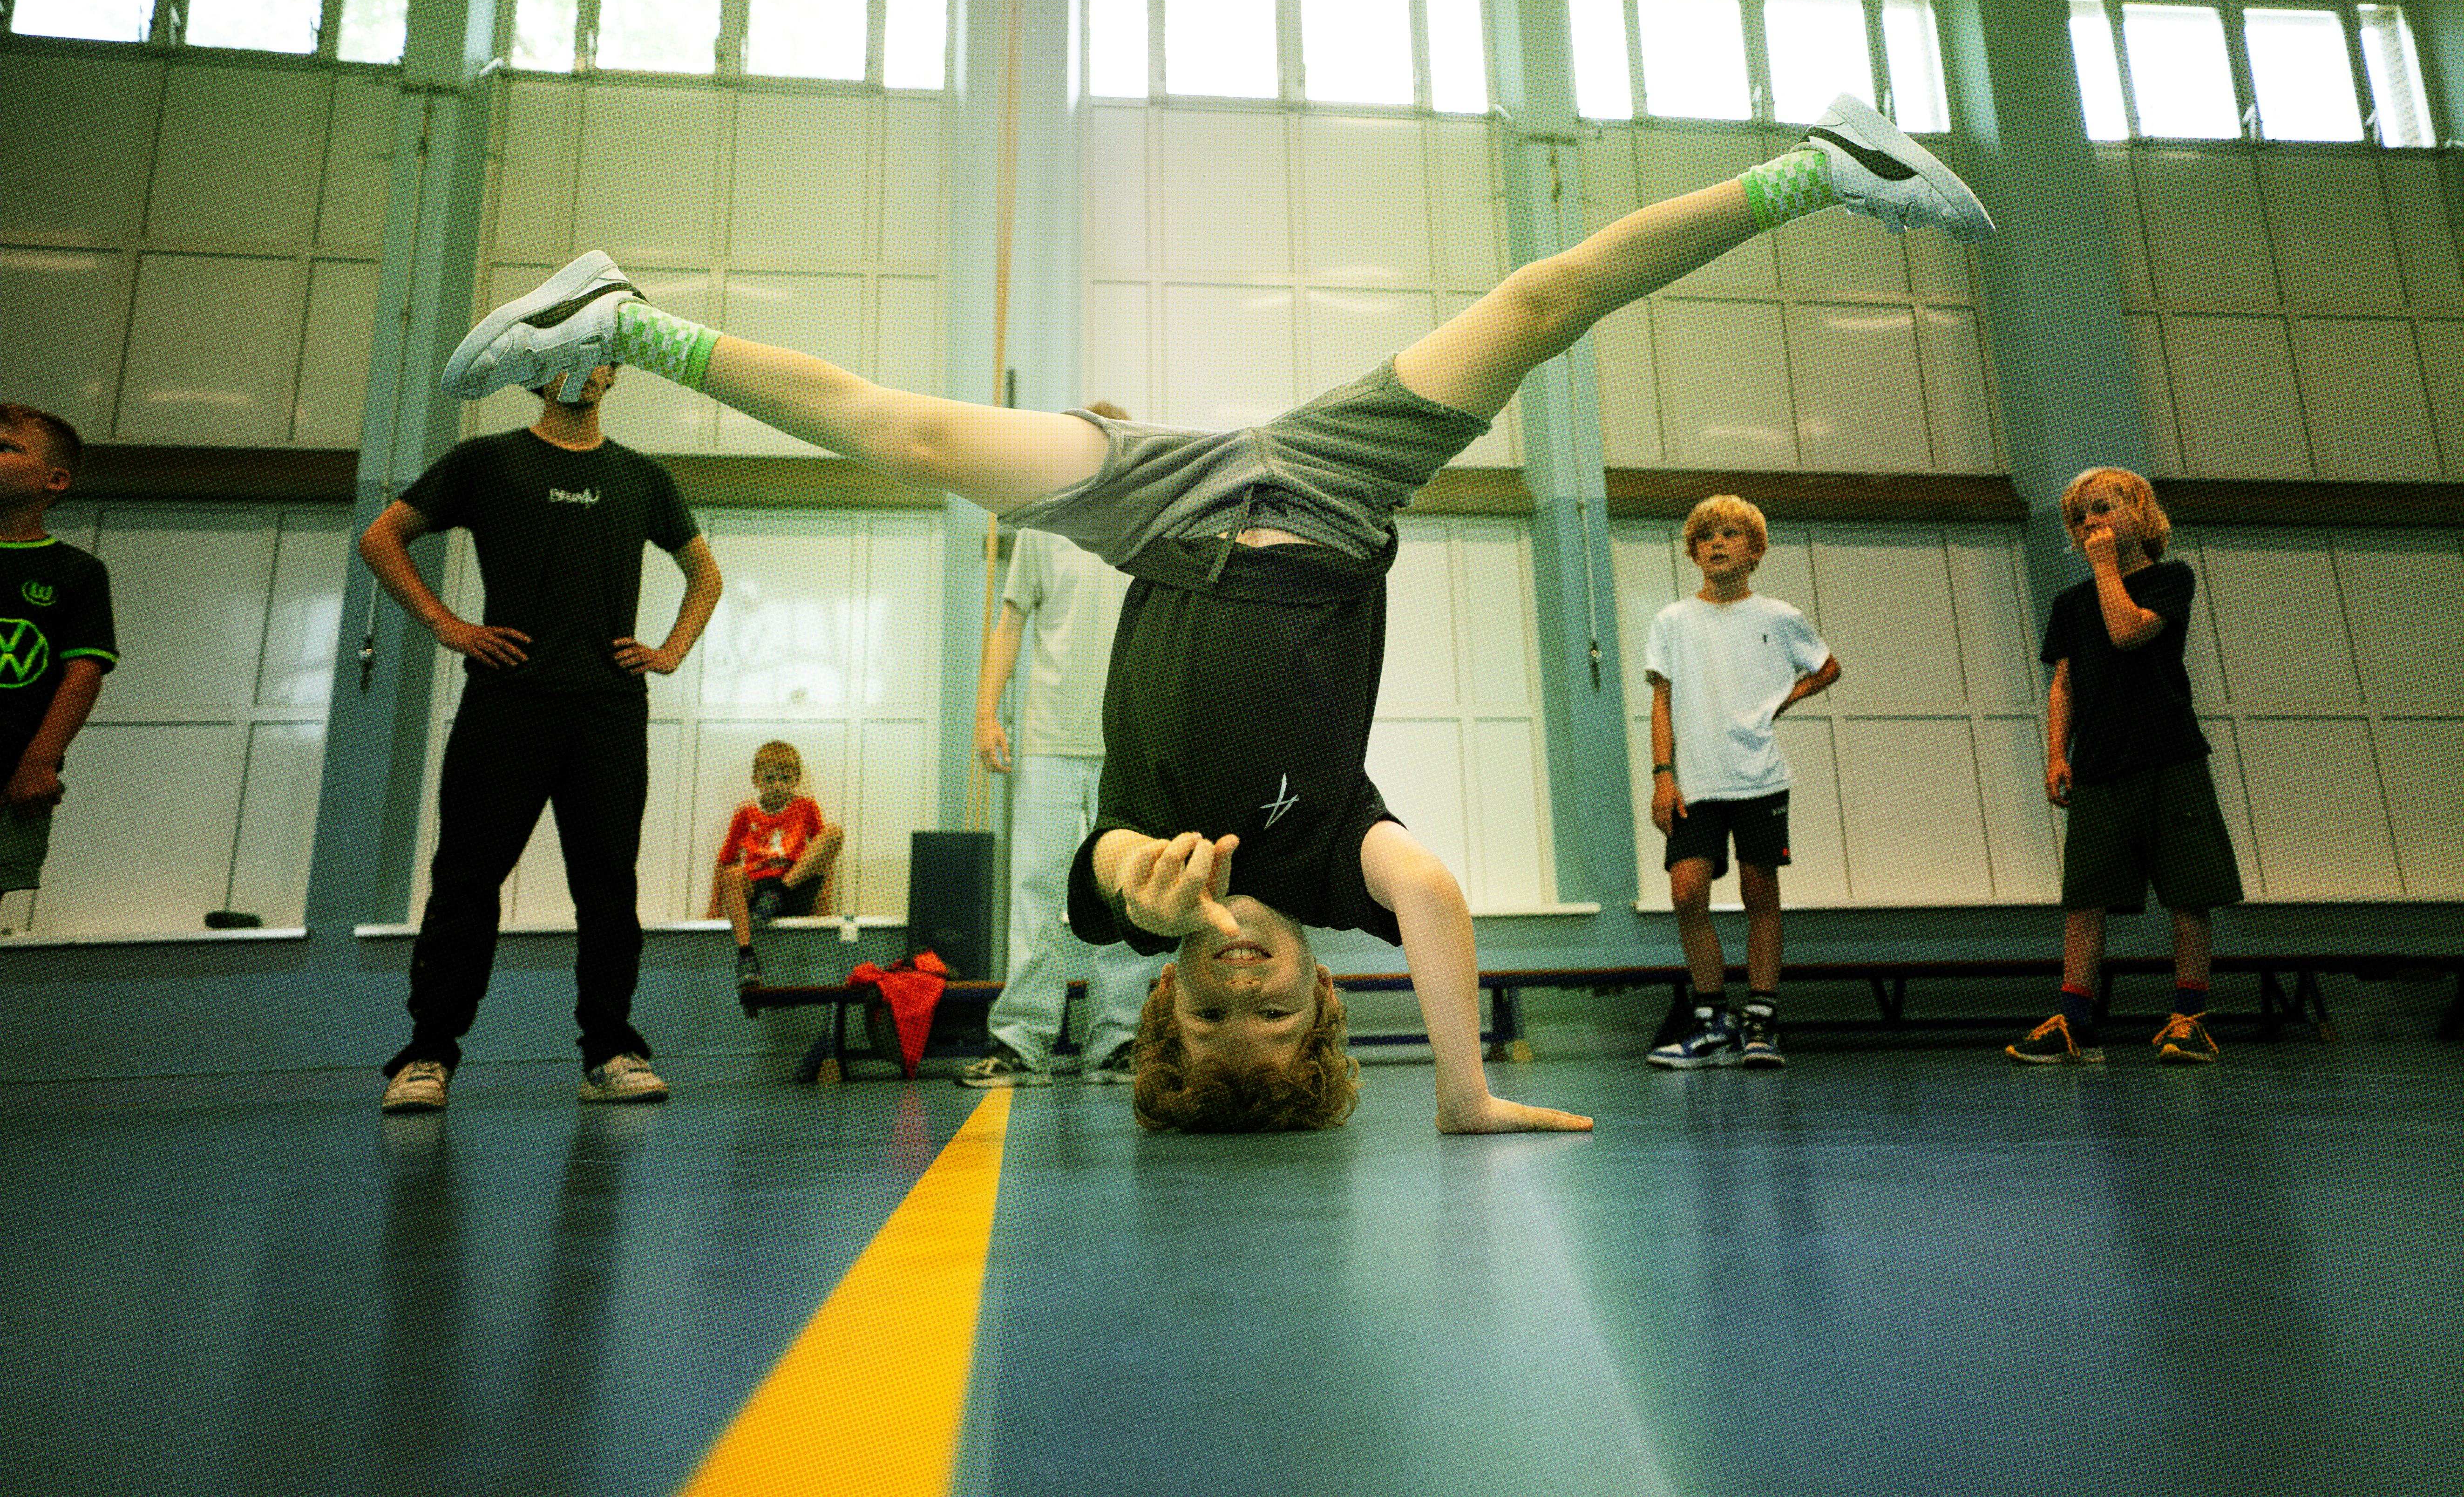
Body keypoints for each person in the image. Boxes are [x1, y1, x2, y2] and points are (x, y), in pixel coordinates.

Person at [440, 93, 1993, 1134]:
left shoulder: (1134, 897)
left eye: (1209, 997)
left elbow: (1111, 865)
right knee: (1538, 308)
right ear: (1321, 988)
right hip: (1328, 492)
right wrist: (1460, 1087)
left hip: (1164, 501)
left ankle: (616, 318)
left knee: (914, 438)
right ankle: (1821, 170)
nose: (1239, 968)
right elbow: (1439, 901)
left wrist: (1161, 899)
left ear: (1167, 997)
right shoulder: (1337, 863)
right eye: (1272, 997)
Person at [362, 361, 724, 1114]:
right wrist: (447, 625)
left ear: (614, 370)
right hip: (508, 702)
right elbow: (382, 538)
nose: (581, 371)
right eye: (562, 354)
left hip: (609, 709)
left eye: (596, 354)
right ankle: (428, 1056)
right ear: (533, 369)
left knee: (607, 888)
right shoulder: (486, 460)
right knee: (466, 882)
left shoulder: (641, 477)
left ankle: (611, 1052)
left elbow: (704, 574)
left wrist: (670, 651)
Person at [2009, 467, 2240, 1066]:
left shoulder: (2171, 581)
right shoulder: (2069, 604)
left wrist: (2108, 568)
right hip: (2099, 764)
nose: (2091, 523)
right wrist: (2056, 753)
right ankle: (2076, 1021)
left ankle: (2188, 1017)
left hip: (2169, 756)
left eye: (2103, 509)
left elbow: (2128, 632)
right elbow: (2064, 684)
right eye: (2080, 517)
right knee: (2085, 895)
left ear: (2138, 512)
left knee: (2188, 892)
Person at [961, 436, 1148, 1090]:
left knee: (1128, 895)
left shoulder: (1146, 526)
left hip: (1128, 746)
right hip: (1045, 740)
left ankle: (1118, 1039)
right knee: (1034, 891)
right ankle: (1021, 1042)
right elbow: (1009, 623)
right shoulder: (1045, 524)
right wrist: (987, 713)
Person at [1642, 494, 1840, 1070]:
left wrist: (1779, 702)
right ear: (1693, 551)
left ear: (1753, 551)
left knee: (1760, 895)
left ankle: (1761, 1022)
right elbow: (1662, 702)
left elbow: (1826, 666)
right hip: (1693, 784)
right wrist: (1662, 776)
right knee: (1686, 893)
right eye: (1706, 536)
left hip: (1758, 779)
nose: (1717, 543)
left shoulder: (1777, 617)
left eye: (1730, 534)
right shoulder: (1672, 621)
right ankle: (1710, 1021)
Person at [0, 406, 115, 911]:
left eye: (6, 447)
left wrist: (40, 759)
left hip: (9, 772)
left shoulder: (76, 572)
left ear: (55, 479)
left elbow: (83, 675)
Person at [708, 739, 842, 989]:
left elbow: (823, 860)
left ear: (797, 779)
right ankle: (747, 955)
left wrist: (824, 906)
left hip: (793, 885)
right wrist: (713, 910)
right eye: (770, 779)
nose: (778, 786)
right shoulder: (746, 813)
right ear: (757, 781)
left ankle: (777, 893)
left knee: (834, 834)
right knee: (733, 873)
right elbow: (725, 861)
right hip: (758, 891)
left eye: (785, 779)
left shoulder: (806, 807)